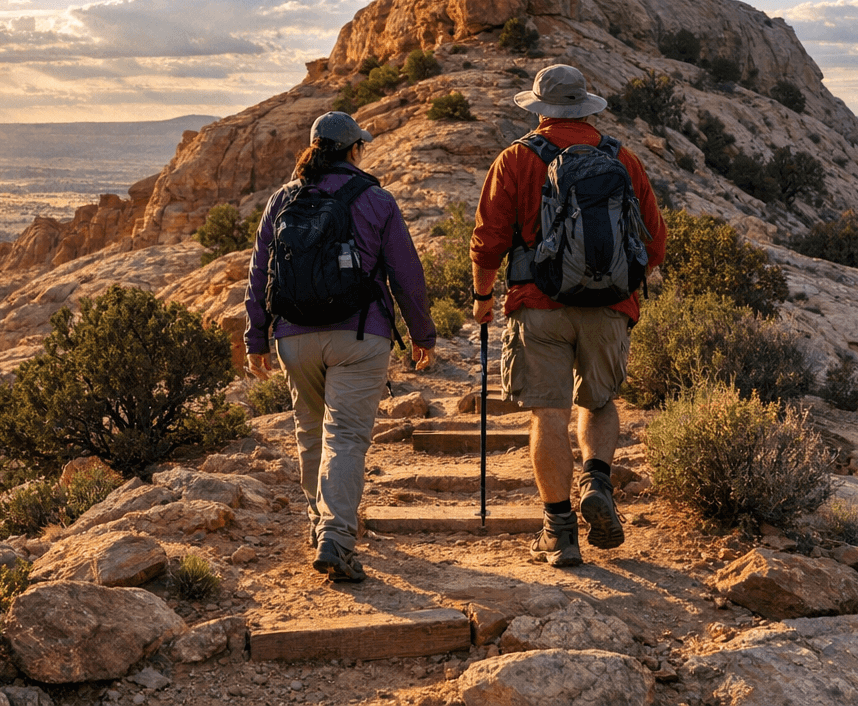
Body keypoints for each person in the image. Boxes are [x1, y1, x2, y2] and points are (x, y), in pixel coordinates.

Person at [469, 65, 666, 567]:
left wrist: (483, 296)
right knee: (598, 403)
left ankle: (558, 531)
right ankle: (596, 480)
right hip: (609, 307)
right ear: (586, 106)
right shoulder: (621, 158)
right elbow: (655, 242)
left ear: (538, 109)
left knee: (548, 414)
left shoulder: (515, 159)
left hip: (538, 306)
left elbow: (488, 240)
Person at [246, 111, 436, 582]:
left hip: (294, 336)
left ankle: (319, 525)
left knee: (311, 433)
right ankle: (336, 535)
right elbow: (406, 274)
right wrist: (422, 334)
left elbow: (259, 275)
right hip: (360, 334)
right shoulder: (376, 199)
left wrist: (256, 338)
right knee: (346, 437)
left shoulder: (282, 200)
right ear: (355, 150)